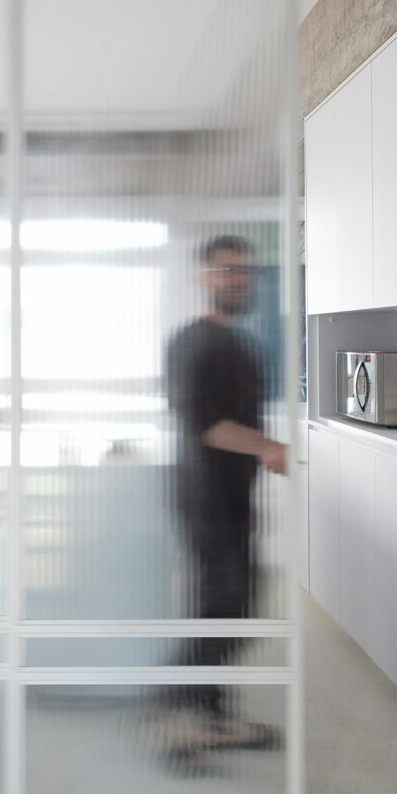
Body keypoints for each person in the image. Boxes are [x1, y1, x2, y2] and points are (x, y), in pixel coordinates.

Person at [164, 234, 286, 760]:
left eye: (243, 271)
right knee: (223, 604)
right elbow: (205, 424)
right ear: (203, 278)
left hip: (231, 499)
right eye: (226, 270)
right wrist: (269, 448)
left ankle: (189, 700)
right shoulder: (193, 342)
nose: (237, 279)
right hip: (203, 496)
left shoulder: (241, 344)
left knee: (235, 603)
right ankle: (194, 715)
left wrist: (250, 498)